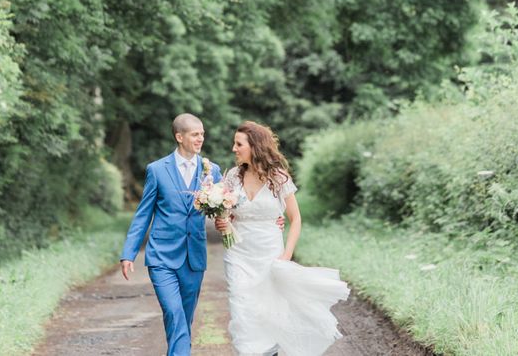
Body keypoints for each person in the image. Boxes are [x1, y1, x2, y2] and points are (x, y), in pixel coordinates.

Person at [215, 121, 350, 356]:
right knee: (242, 307)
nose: (234, 149)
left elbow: (295, 219)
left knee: (270, 309)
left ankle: (270, 352)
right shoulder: (232, 178)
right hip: (238, 253)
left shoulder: (279, 178)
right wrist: (222, 222)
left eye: (239, 144)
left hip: (270, 252)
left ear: (255, 146)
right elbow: (226, 214)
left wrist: (286, 255)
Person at [119, 113, 222, 356]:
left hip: (194, 258)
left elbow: (226, 208)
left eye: (202, 134)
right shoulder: (157, 170)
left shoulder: (211, 170)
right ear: (179, 137)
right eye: (195, 134)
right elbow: (143, 214)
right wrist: (129, 253)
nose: (201, 139)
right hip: (162, 258)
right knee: (174, 312)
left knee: (183, 320)